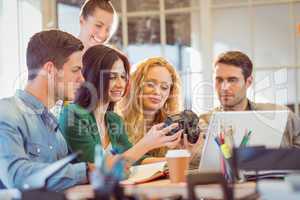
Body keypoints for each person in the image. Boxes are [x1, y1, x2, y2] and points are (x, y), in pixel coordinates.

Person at [59, 45, 182, 165]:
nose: (120, 84)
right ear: (93, 77)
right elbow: (97, 166)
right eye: (112, 77)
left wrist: (180, 159)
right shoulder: (72, 114)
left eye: (123, 77)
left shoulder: (113, 120)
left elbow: (135, 160)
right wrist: (146, 144)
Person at [0, 30, 90, 191]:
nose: (82, 79)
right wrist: (86, 171)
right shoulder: (6, 112)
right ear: (50, 70)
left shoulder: (54, 130)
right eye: (76, 70)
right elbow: (16, 176)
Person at [191, 51, 300, 168]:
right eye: (219, 80)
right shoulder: (204, 122)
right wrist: (191, 156)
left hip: (274, 183)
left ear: (248, 82)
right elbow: (199, 166)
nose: (224, 87)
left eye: (232, 80)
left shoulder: (280, 115)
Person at [119, 57, 202, 163]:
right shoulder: (117, 121)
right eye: (150, 84)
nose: (157, 92)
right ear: (136, 85)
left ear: (170, 93)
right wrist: (179, 159)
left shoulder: (173, 124)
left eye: (164, 87)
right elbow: (130, 161)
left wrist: (187, 151)